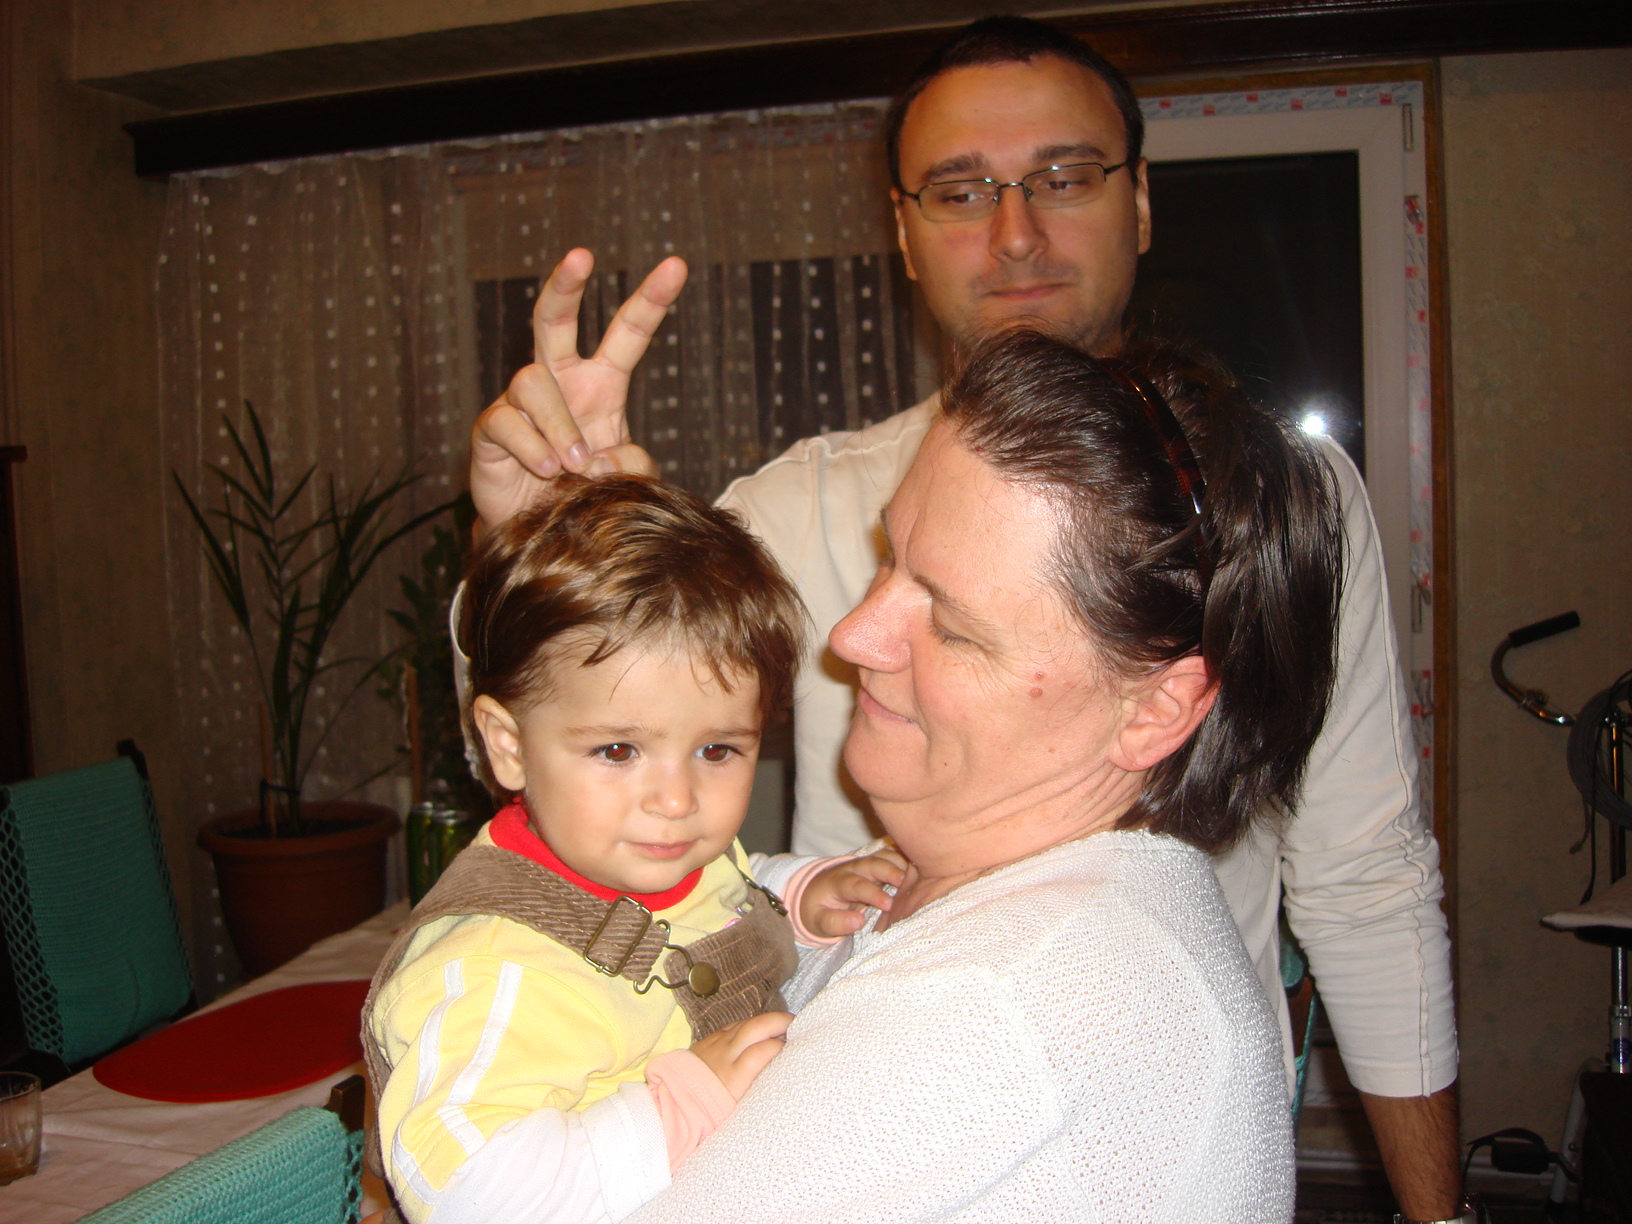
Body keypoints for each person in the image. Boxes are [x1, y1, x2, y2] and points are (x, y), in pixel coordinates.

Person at [467, 17, 1464, 1220]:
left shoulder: (1280, 510)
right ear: (902, 230)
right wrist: (544, 536)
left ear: (1140, 201)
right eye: (960, 190)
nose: (1016, 232)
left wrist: (1440, 1214)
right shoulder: (802, 501)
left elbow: (1366, 877)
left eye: (1064, 176)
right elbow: (571, 734)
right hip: (829, 1097)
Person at [633, 331, 1342, 1221]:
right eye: (891, 557)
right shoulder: (970, 901)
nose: (853, 636)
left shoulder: (1003, 998)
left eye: (954, 627)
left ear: (1155, 709)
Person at [362, 475, 905, 1224]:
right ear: (509, 746)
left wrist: (800, 894)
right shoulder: (497, 973)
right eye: (618, 750)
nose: (676, 800)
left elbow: (720, 889)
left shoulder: (657, 850)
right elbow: (464, 1195)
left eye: (717, 749)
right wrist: (677, 1109)